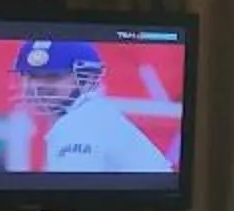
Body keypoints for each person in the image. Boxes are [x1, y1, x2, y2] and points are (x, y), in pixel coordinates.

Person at [14, 39, 173, 175]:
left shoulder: (79, 124)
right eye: (32, 75)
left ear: (87, 79)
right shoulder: (90, 114)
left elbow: (70, 196)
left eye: (52, 76)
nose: (37, 86)